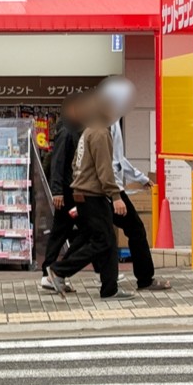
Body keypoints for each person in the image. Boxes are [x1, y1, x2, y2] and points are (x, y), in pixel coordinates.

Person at [47, 91, 134, 300]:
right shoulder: (100, 133)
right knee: (102, 240)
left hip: (82, 194)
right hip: (93, 194)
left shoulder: (88, 131)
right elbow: (105, 170)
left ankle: (109, 288)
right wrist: (116, 197)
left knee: (105, 240)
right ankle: (60, 270)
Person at [99, 77, 172, 292]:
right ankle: (145, 279)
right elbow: (110, 163)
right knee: (136, 230)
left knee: (95, 235)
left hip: (104, 189)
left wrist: (140, 178)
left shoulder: (111, 119)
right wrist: (116, 196)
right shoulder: (107, 121)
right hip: (110, 189)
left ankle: (60, 270)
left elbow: (119, 159)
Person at [40, 93, 86, 293]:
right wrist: (57, 191)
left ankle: (52, 272)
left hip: (72, 190)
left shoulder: (74, 129)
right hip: (68, 193)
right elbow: (58, 163)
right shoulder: (67, 131)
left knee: (68, 231)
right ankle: (51, 272)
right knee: (66, 232)